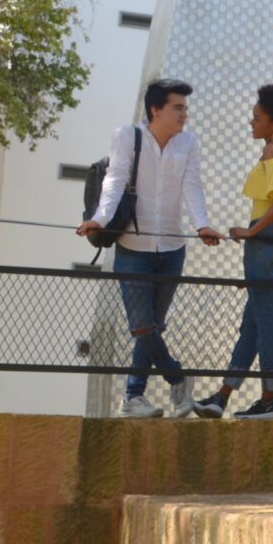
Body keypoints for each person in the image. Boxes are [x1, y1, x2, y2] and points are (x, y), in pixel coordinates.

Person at [77, 78, 222, 419]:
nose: (185, 114)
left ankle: (133, 397)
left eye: (185, 108)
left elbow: (193, 186)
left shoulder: (188, 144)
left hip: (172, 248)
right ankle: (177, 378)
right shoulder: (127, 136)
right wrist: (99, 217)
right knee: (142, 325)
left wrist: (201, 224)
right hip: (133, 247)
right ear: (156, 109)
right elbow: (114, 180)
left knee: (153, 325)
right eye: (178, 107)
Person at [190, 83, 273, 421]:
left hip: (266, 248)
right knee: (253, 325)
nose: (250, 122)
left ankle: (269, 400)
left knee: (267, 324)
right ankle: (221, 397)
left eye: (257, 117)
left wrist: (251, 230)